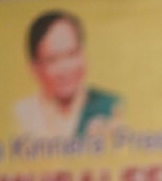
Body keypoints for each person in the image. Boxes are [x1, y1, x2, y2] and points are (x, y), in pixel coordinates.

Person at [13, 10, 120, 140]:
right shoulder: (24, 114)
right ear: (35, 68)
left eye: (72, 54)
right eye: (52, 60)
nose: (65, 70)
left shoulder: (110, 107)